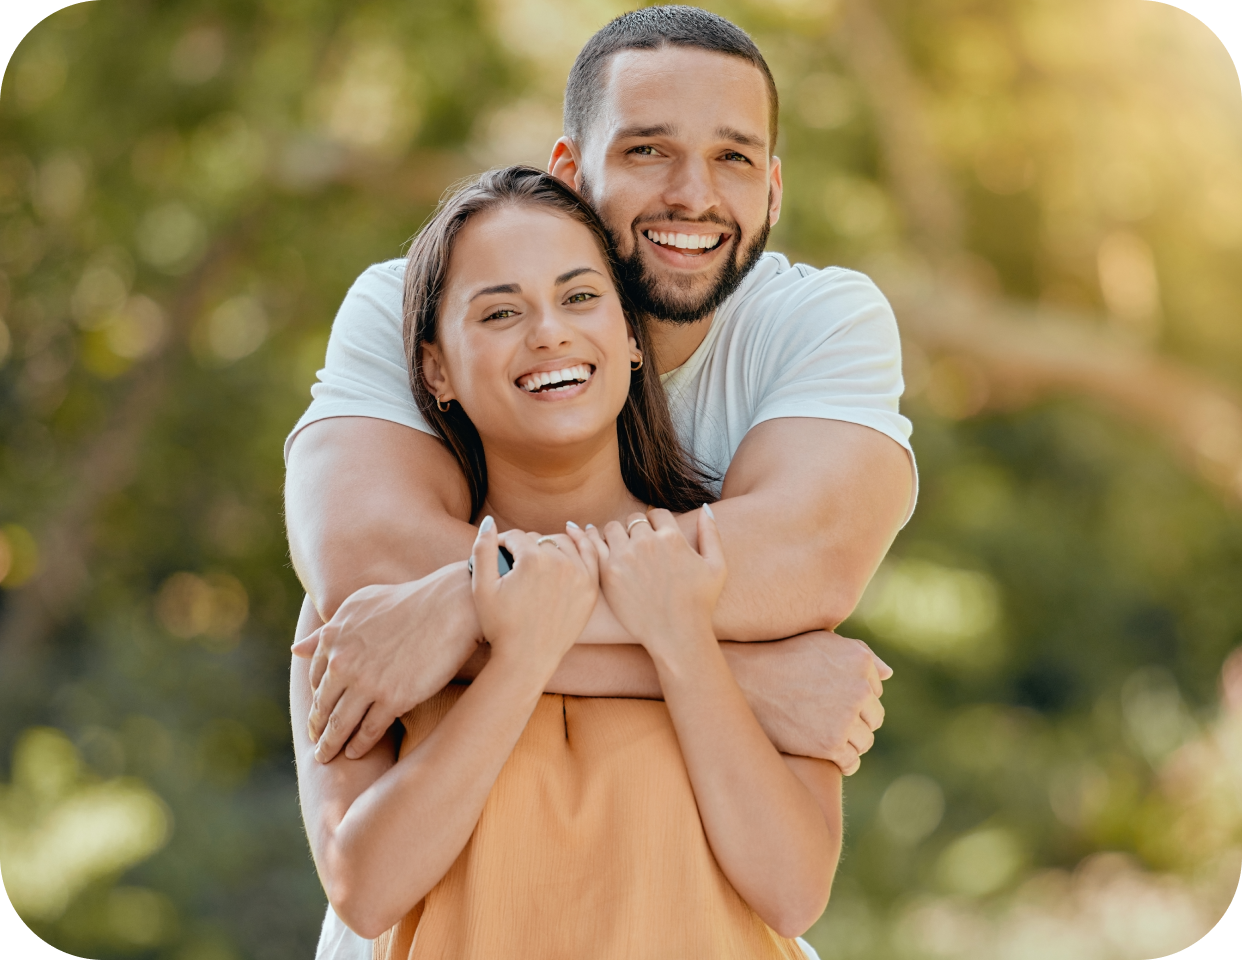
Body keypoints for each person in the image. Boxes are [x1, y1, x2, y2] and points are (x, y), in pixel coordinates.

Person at [284, 7, 915, 957]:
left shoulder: (822, 323)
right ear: (572, 173)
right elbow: (364, 559)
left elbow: (804, 562)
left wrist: (479, 611)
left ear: (774, 187)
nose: (693, 194)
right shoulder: (409, 293)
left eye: (734, 157)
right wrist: (727, 664)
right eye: (650, 150)